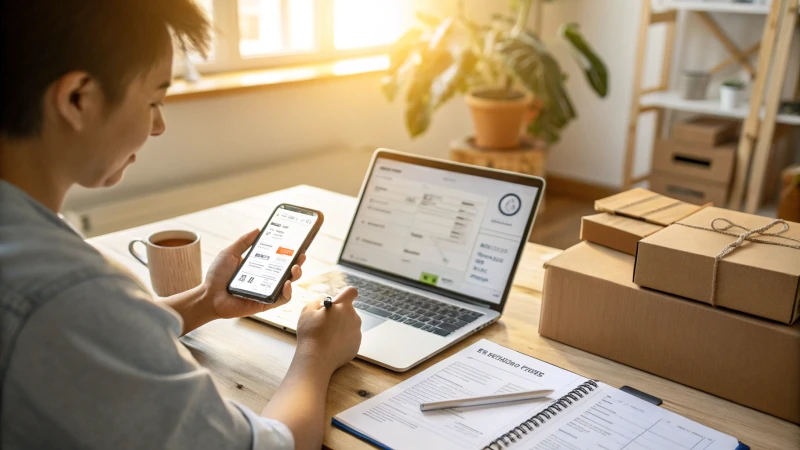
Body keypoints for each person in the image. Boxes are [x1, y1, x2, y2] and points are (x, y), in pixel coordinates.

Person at [0, 1, 362, 449]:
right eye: (153, 99)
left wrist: (205, 301)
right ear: (78, 98)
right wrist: (316, 353)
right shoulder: (69, 291)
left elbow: (88, 342)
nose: (158, 125)